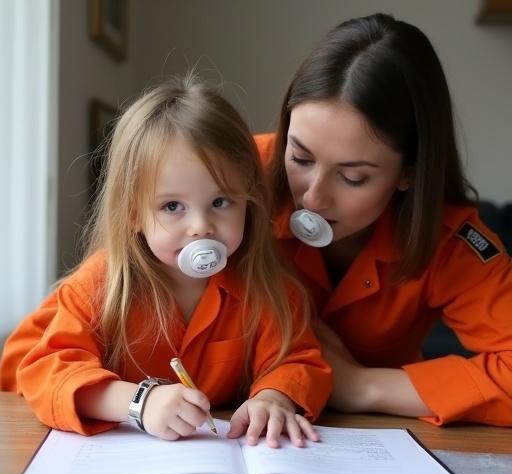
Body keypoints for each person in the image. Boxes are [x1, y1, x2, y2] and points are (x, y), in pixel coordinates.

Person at [0, 75, 332, 446]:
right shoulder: (101, 285)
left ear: (248, 201)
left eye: (221, 202)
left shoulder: (269, 289)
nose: (201, 226)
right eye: (173, 206)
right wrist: (139, 402)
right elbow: (49, 370)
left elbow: (297, 359)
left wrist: (274, 397)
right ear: (134, 213)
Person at [255, 13, 512, 426]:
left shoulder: (445, 239)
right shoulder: (230, 178)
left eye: (353, 177)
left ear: (409, 172)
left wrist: (362, 386)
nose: (314, 197)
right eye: (300, 157)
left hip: (375, 436)